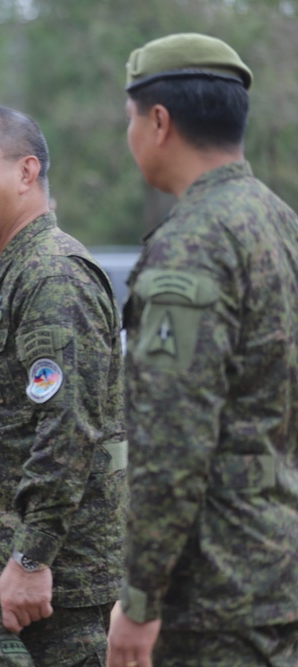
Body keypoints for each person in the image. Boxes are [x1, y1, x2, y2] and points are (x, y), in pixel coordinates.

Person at [108, 33, 298, 667]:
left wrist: (141, 599)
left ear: (159, 121)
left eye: (130, 119)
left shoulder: (192, 242)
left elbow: (173, 439)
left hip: (212, 591)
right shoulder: (279, 223)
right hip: (278, 564)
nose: (129, 134)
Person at [0, 105, 127, 665]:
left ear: (26, 171)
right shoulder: (11, 272)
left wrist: (32, 559)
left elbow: (67, 432)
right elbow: (6, 428)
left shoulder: (53, 275)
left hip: (47, 591)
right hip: (8, 576)